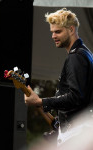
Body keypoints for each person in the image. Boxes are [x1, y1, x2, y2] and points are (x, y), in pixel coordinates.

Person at [24, 8, 93, 149]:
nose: (53, 36)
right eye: (52, 32)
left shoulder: (76, 57)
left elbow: (76, 97)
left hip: (76, 131)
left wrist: (40, 101)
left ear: (71, 30)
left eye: (58, 31)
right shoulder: (83, 53)